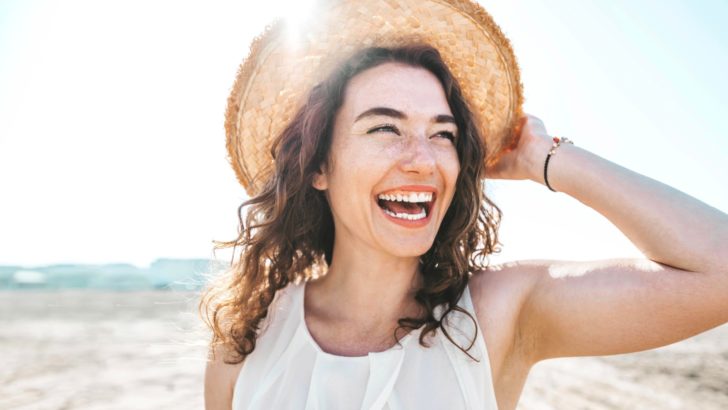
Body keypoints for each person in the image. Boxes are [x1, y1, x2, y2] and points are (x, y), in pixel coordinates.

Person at [200, 1, 728, 409]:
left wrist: (545, 159)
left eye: (443, 134)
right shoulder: (245, 342)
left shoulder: (499, 312)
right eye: (385, 128)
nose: (422, 160)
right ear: (318, 166)